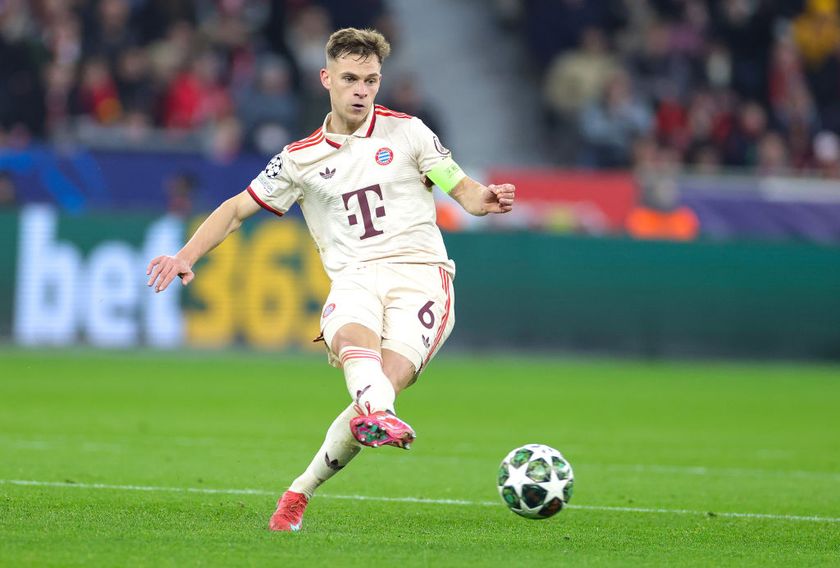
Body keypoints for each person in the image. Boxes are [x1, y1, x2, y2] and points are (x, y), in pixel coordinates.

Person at [145, 28, 516, 532]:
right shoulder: (299, 159)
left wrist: (485, 200)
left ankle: (301, 488)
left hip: (423, 278)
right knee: (351, 340)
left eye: (371, 80)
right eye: (350, 79)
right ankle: (376, 414)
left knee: (381, 384)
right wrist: (186, 254)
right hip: (356, 277)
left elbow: (464, 190)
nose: (361, 90)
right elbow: (235, 210)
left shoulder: (409, 132)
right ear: (327, 79)